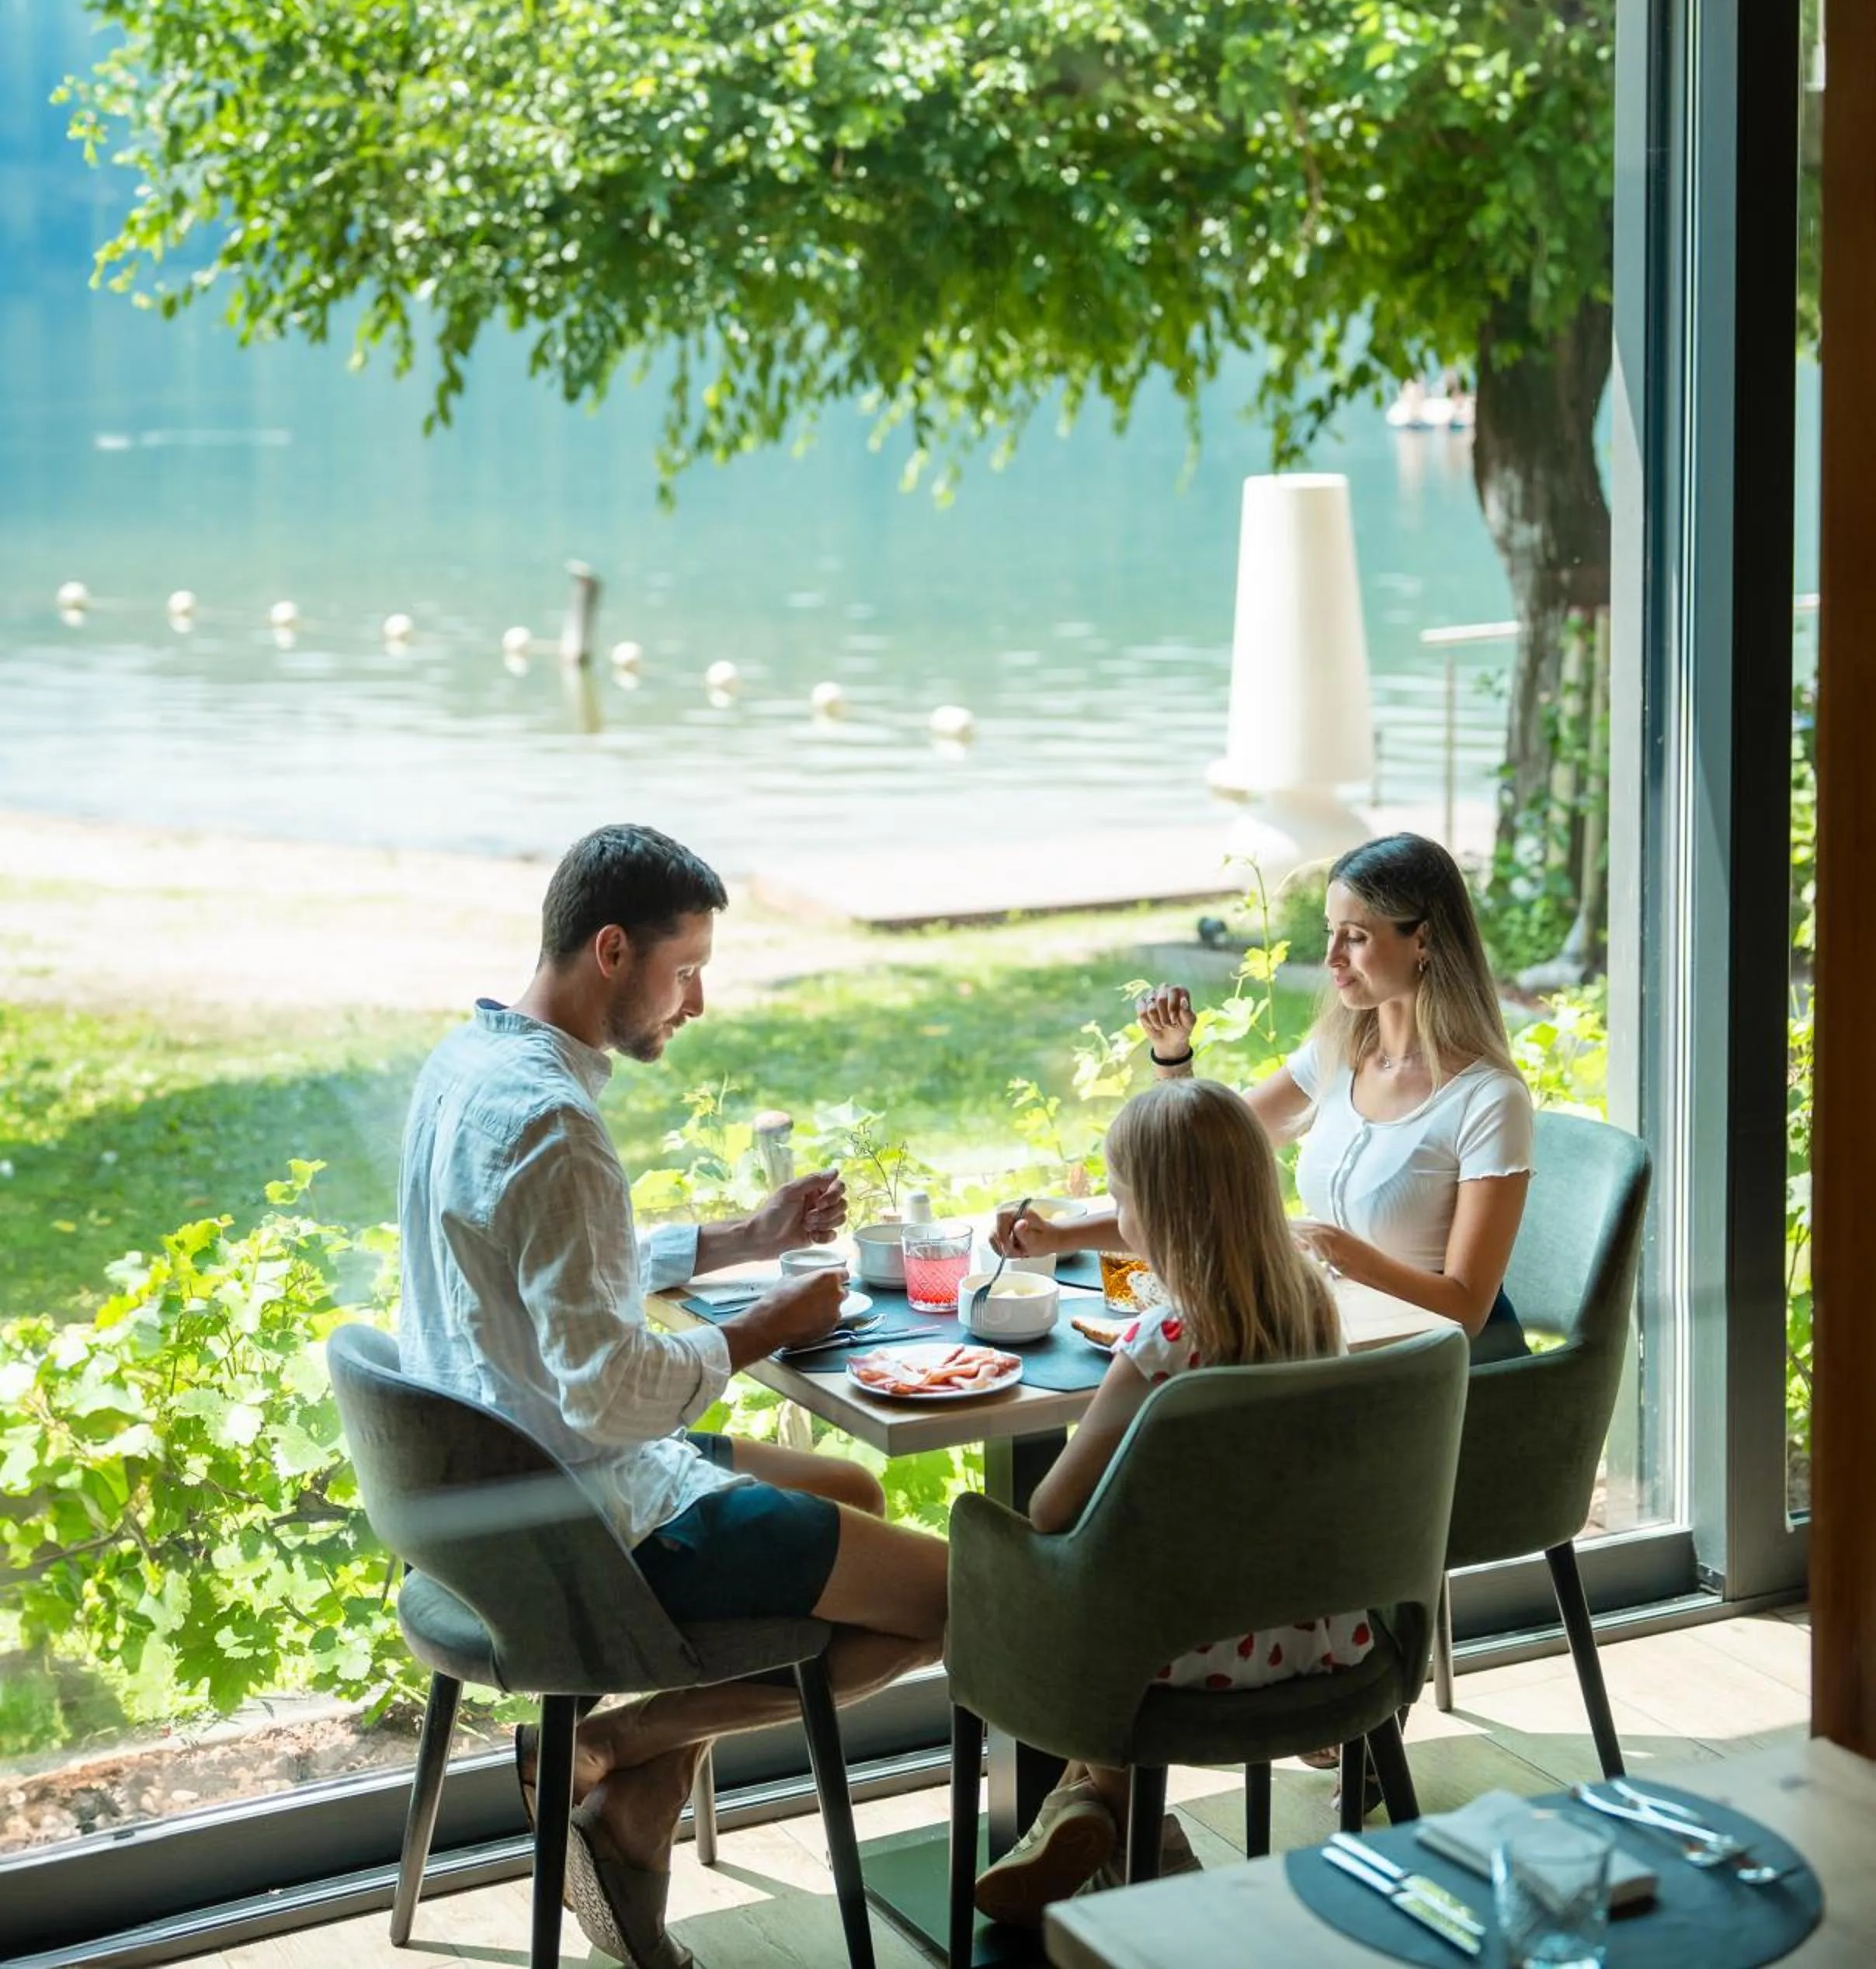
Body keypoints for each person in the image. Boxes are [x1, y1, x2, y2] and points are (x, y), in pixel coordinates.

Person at [397, 824, 948, 1969]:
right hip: (589, 1521)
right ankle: (622, 1743)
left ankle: (633, 1813)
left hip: (502, 1483)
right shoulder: (556, 1123)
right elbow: (605, 1391)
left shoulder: (475, 1063)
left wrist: (742, 1238)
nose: (696, 1001)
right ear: (612, 949)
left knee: (849, 1481)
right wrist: (761, 1331)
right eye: (686, 966)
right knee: (960, 1599)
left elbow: (543, 1260)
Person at [971, 1078, 1371, 1927]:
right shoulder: (1312, 1309)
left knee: (1067, 1587)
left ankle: (1116, 1823)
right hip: (1321, 1635)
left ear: (1153, 1212)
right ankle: (1102, 1821)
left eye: (1120, 1197)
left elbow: (1048, 1508)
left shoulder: (1165, 1340)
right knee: (1133, 1594)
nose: (1116, 1210)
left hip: (1177, 1662)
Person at [999, 832, 1534, 1362]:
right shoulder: (1335, 1055)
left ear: (1423, 939)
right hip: (1339, 1350)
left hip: (1444, 1378)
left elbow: (1467, 1309)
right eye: (1331, 932)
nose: (1330, 958)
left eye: (1355, 937)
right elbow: (1200, 1169)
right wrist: (1055, 1236)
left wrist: (1338, 1252)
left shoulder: (1489, 1100)